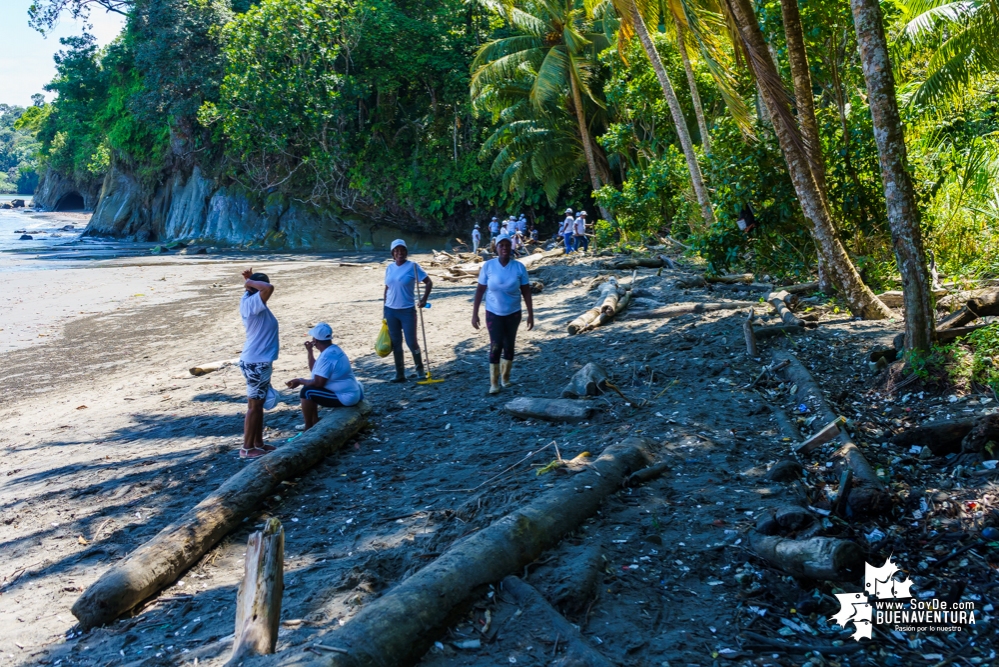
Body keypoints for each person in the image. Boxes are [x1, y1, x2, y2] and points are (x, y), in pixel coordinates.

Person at [471, 233, 535, 394]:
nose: (505, 248)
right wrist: (475, 313)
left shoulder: (519, 267)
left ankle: (505, 378)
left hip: (513, 313)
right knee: (496, 344)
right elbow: (480, 290)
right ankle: (494, 383)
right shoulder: (488, 266)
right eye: (501, 245)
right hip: (493, 312)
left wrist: (531, 314)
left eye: (507, 245)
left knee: (510, 344)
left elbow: (526, 292)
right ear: (496, 248)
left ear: (511, 247)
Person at [285, 323, 363, 430]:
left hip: (346, 397)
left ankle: (308, 427)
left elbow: (318, 383)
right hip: (351, 392)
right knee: (310, 388)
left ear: (315, 341)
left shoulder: (327, 357)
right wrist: (310, 352)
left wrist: (300, 380)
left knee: (306, 391)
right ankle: (314, 421)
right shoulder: (332, 349)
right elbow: (315, 371)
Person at [238, 269, 279, 460]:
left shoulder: (251, 300)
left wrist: (249, 281)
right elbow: (269, 287)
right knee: (254, 406)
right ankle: (246, 449)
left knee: (258, 404)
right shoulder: (253, 304)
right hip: (256, 362)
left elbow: (263, 289)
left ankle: (258, 443)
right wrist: (250, 282)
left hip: (257, 361)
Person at [381, 239, 432, 382]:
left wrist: (424, 299)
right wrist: (384, 309)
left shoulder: (413, 266)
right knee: (396, 343)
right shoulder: (389, 268)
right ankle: (400, 373)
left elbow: (428, 282)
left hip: (407, 311)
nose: (399, 253)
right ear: (392, 253)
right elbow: (387, 288)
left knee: (411, 342)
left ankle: (420, 370)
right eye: (396, 251)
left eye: (402, 250)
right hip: (391, 310)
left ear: (406, 252)